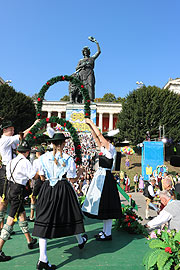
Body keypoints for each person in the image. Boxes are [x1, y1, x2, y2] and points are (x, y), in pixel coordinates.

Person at [32, 132, 87, 270]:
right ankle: (80, 240)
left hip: (47, 189)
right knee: (71, 216)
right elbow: (72, 179)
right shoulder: (68, 159)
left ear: (51, 143)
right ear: (63, 144)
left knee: (43, 221)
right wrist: (81, 171)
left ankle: (42, 259)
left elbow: (42, 178)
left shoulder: (42, 158)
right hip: (63, 189)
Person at [82, 118, 122, 241]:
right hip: (101, 177)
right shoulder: (105, 149)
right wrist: (89, 127)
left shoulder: (110, 149)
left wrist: (92, 123)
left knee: (107, 206)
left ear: (108, 141)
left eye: (105, 139)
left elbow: (99, 135)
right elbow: (96, 137)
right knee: (105, 206)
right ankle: (105, 232)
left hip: (106, 178)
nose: (102, 141)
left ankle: (108, 233)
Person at [0, 140, 39, 262]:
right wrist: (40, 171)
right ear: (27, 152)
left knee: (22, 215)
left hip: (10, 190)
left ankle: (29, 240)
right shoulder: (25, 162)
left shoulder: (11, 161)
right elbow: (34, 176)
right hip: (18, 191)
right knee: (10, 220)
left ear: (18, 151)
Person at [0, 119, 39, 230]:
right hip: (6, 170)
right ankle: (3, 225)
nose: (13, 131)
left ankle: (6, 225)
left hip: (11, 170)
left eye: (13, 129)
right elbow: (21, 136)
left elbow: (21, 137)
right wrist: (34, 125)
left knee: (9, 200)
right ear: (4, 130)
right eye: (11, 129)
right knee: (4, 200)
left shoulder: (9, 140)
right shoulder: (4, 140)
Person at [75, 37, 101, 101]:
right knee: (83, 87)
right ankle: (83, 100)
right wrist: (82, 66)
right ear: (83, 53)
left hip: (90, 72)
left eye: (87, 51)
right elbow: (76, 68)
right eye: (84, 51)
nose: (86, 52)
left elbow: (99, 52)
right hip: (82, 74)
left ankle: (91, 100)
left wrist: (96, 42)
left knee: (90, 85)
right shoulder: (81, 60)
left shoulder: (92, 58)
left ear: (89, 52)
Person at [27, 146, 45, 222]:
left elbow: (34, 175)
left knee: (33, 197)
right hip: (48, 181)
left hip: (39, 180)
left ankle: (31, 216)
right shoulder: (48, 159)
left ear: (38, 153)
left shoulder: (36, 161)